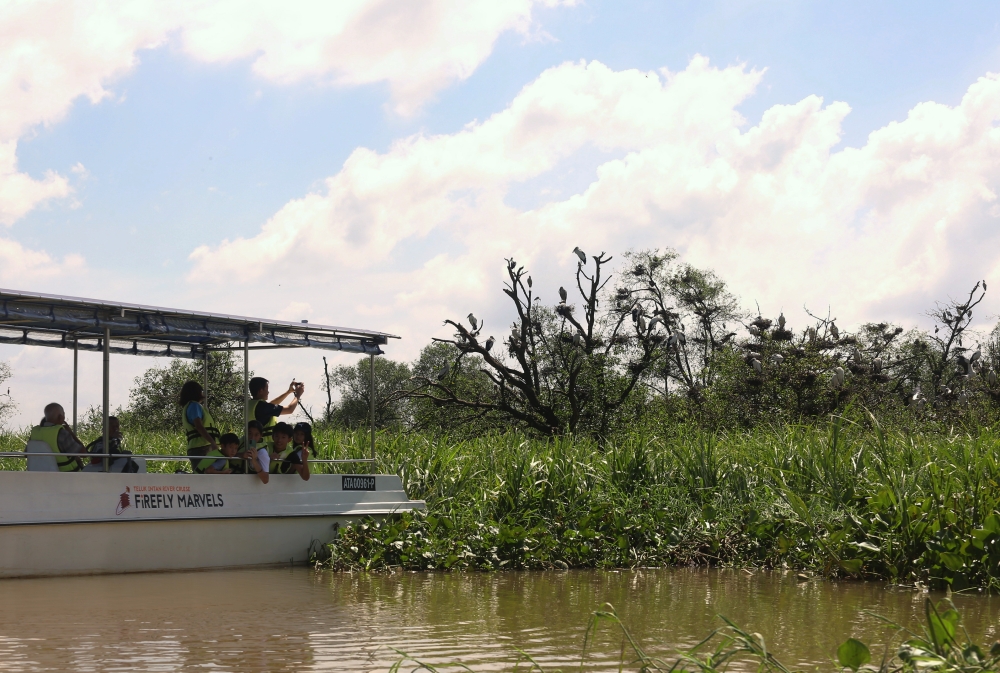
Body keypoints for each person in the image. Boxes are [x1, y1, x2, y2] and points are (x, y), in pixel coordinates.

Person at [247, 377, 304, 450]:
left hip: (253, 445)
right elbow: (289, 409)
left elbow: (271, 405)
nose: (268, 392)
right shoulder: (263, 407)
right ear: (261, 391)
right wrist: (298, 395)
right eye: (266, 389)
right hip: (264, 447)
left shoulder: (251, 405)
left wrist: (288, 392)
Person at [28, 403, 86, 472]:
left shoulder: (35, 433)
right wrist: (70, 433)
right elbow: (84, 454)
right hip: (67, 476)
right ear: (61, 417)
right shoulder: (62, 433)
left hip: (40, 475)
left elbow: (27, 455)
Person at [179, 381, 220, 470]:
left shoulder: (189, 406)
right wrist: (212, 442)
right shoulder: (194, 406)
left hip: (198, 448)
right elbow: (199, 426)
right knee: (203, 477)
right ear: (196, 392)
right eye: (201, 391)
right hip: (201, 448)